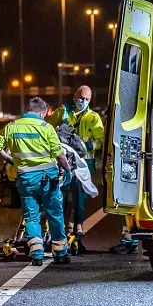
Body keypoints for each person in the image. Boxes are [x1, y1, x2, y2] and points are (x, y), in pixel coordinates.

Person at [0, 97, 73, 266]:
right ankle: (60, 253)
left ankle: (36, 254)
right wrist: (68, 170)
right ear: (42, 112)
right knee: (54, 215)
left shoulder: (12, 127)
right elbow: (59, 155)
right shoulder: (46, 128)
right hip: (47, 179)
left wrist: (11, 160)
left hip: (25, 179)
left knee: (31, 217)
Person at [47, 85, 104, 236]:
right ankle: (58, 232)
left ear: (90, 100)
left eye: (86, 99)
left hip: (85, 164)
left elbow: (100, 140)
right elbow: (48, 133)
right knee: (60, 198)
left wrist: (87, 146)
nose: (83, 101)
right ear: (74, 97)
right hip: (62, 162)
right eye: (81, 98)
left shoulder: (94, 117)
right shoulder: (61, 113)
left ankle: (76, 231)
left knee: (80, 199)